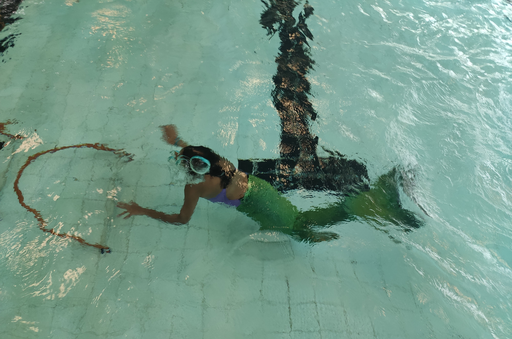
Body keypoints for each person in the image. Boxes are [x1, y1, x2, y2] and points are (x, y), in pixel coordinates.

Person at [117, 125, 422, 242]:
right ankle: (376, 193)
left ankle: (363, 206)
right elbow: (198, 154)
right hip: (260, 187)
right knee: (297, 221)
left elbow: (182, 220)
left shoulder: (193, 189)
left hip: (258, 203)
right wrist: (178, 141)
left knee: (299, 228)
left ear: (188, 170)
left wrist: (144, 211)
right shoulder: (219, 163)